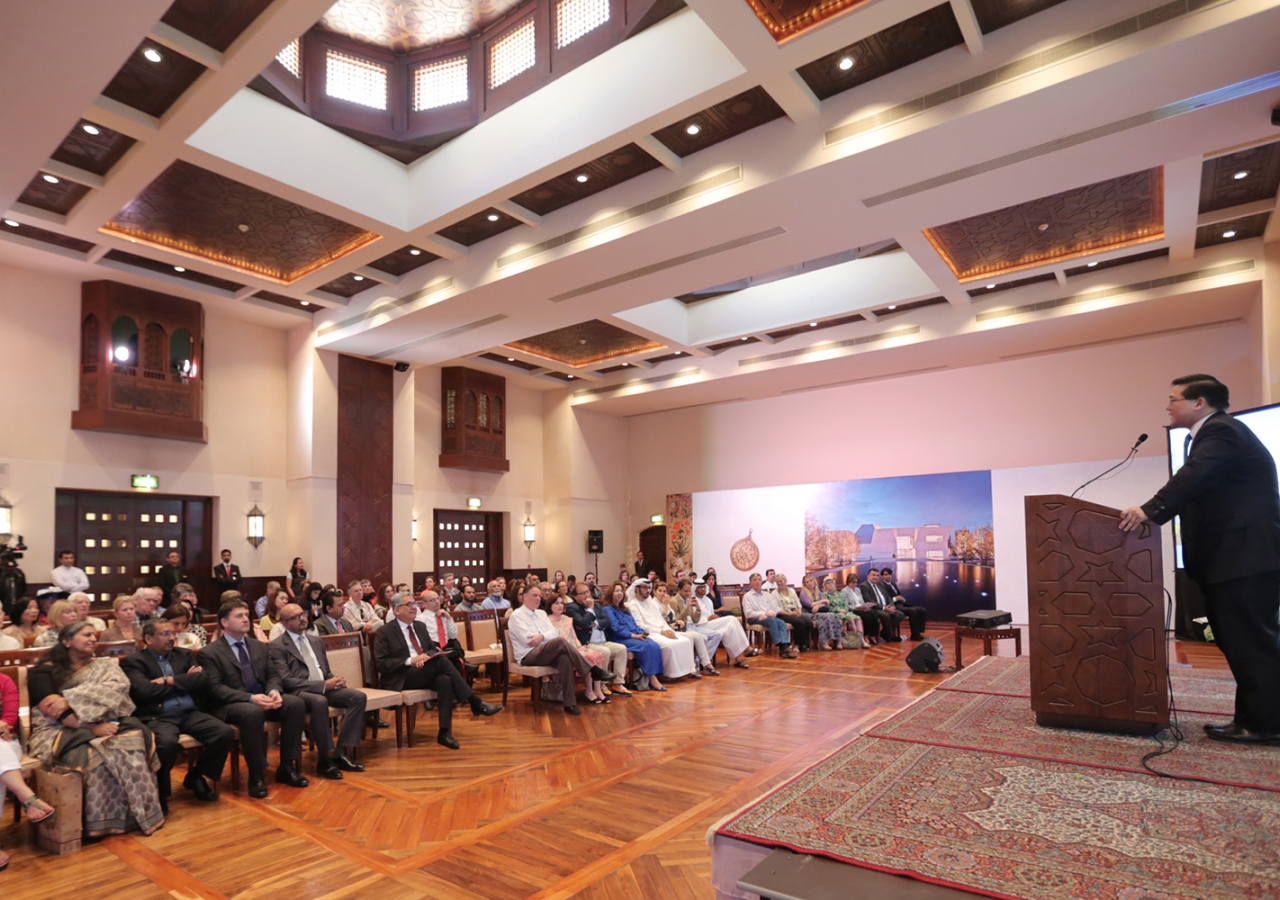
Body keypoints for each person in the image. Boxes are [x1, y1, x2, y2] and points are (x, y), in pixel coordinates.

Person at [1121, 374, 1280, 744]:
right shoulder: (1218, 434)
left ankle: (1267, 723)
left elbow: (1194, 476)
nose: (1167, 406)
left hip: (1245, 559)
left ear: (1199, 403)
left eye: (1173, 399)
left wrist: (1150, 510)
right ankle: (1256, 718)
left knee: (1251, 640)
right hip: (1238, 560)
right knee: (1242, 640)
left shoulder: (1221, 431)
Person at [28, 621, 165, 836]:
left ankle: (136, 815)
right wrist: (92, 727)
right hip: (57, 728)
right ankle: (97, 824)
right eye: (86, 635)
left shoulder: (105, 666)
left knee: (134, 745)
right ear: (67, 641)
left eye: (94, 634)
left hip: (107, 720)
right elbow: (52, 710)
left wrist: (70, 698)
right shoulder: (45, 671)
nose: (93, 639)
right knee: (96, 758)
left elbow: (117, 690)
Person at [199, 600, 310, 799]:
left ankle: (286, 766)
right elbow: (215, 689)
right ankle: (256, 775)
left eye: (246, 614)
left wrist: (274, 690)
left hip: (262, 697)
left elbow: (273, 674)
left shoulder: (258, 646)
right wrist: (251, 698)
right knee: (252, 712)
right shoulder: (210, 652)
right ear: (224, 622)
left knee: (295, 704)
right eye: (239, 616)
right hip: (231, 704)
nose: (245, 619)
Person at [120, 618, 231, 813]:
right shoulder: (134, 661)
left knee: (223, 732)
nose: (172, 638)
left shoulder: (184, 654)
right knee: (166, 744)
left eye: (173, 634)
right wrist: (184, 682)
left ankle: (196, 775)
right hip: (158, 716)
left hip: (189, 712)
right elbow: (144, 691)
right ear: (148, 638)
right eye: (165, 634)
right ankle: (160, 794)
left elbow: (202, 680)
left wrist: (167, 681)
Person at [372, 593, 501, 748]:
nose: (415, 607)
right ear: (397, 610)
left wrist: (426, 657)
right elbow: (382, 664)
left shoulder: (420, 626)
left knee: (444, 680)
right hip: (401, 676)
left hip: (424, 670)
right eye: (410, 605)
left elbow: (432, 649)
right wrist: (411, 660)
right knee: (441, 662)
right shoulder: (385, 632)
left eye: (415, 603)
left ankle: (444, 733)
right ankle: (475, 702)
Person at [269, 603, 366, 778]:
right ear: (285, 623)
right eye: (295, 617)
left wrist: (334, 680)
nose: (302, 618)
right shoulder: (278, 646)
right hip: (299, 692)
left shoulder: (316, 641)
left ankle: (341, 751)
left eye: (303, 614)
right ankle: (325, 760)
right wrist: (322, 686)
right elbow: (286, 681)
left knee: (357, 697)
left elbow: (325, 670)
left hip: (323, 686)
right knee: (319, 701)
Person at [508, 585, 615, 713]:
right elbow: (528, 641)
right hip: (527, 655)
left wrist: (542, 636)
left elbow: (553, 632)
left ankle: (569, 703)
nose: (538, 598)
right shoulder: (517, 616)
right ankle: (591, 669)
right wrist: (545, 637)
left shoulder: (541, 614)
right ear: (525, 597)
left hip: (545, 651)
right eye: (534, 595)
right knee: (560, 642)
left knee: (565, 658)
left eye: (539, 596)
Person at [0, 670, 56, 869]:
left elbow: (9, 717)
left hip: (6, 741)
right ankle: (29, 799)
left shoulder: (4, 681)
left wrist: (3, 725)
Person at [564, 583, 631, 694]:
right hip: (587, 643)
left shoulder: (597, 606)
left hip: (603, 641)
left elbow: (608, 622)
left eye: (587, 592)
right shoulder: (572, 608)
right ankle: (601, 684)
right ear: (575, 596)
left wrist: (595, 623)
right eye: (583, 593)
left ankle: (618, 684)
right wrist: (589, 610)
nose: (586, 595)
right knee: (605, 652)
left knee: (621, 649)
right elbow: (584, 623)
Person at [546, 594, 611, 704]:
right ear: (550, 606)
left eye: (562, 603)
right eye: (556, 603)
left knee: (597, 656)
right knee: (589, 658)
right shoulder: (547, 620)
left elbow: (574, 636)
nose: (560, 606)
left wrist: (580, 646)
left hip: (574, 646)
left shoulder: (567, 619)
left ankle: (597, 690)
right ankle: (589, 691)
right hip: (561, 650)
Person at [600, 582, 665, 691]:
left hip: (633, 636)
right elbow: (615, 629)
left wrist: (641, 633)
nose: (620, 593)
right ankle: (652, 678)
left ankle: (653, 676)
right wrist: (634, 636)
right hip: (620, 638)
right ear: (610, 593)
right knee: (646, 647)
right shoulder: (608, 609)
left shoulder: (624, 609)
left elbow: (634, 624)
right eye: (616, 591)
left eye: (621, 591)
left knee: (654, 645)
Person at [625, 579, 698, 677]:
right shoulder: (632, 605)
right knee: (669, 645)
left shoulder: (650, 602)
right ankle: (667, 674)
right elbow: (640, 625)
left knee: (685, 641)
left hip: (661, 630)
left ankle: (683, 672)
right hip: (649, 633)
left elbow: (661, 619)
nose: (648, 590)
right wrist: (661, 631)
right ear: (637, 589)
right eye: (645, 588)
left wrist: (668, 630)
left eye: (649, 588)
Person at [680, 578, 751, 669]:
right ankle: (746, 650)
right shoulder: (693, 600)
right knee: (731, 619)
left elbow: (711, 614)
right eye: (700, 587)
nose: (703, 589)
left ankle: (738, 659)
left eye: (703, 587)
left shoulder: (708, 600)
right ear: (695, 588)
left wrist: (714, 617)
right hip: (700, 625)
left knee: (728, 629)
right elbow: (694, 619)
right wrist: (707, 619)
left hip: (710, 624)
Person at [656, 581, 718, 675]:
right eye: (660, 591)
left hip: (684, 626)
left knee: (705, 635)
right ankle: (693, 667)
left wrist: (698, 608)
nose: (663, 594)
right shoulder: (671, 601)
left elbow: (694, 620)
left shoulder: (669, 603)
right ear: (679, 590)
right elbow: (663, 620)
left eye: (664, 591)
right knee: (696, 637)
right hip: (672, 629)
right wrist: (686, 609)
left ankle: (706, 664)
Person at [741, 573, 796, 658]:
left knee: (781, 622)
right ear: (750, 583)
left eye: (759, 580)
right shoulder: (747, 596)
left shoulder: (767, 595)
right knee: (772, 621)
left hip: (768, 617)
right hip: (754, 618)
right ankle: (782, 647)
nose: (757, 582)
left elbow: (774, 609)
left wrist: (770, 613)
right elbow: (748, 613)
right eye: (754, 580)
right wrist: (764, 614)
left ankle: (785, 646)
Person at [876, 567, 926, 640]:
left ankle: (918, 631)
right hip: (893, 605)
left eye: (889, 574)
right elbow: (884, 598)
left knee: (922, 610)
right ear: (882, 576)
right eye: (886, 574)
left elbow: (898, 594)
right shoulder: (881, 586)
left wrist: (901, 599)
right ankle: (915, 635)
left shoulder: (893, 584)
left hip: (901, 604)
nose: (888, 576)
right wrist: (895, 599)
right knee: (913, 611)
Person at [800, 574, 846, 649]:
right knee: (825, 616)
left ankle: (838, 641)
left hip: (818, 612)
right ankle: (824, 642)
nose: (810, 583)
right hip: (807, 614)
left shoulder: (818, 592)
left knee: (833, 615)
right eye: (807, 582)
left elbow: (826, 603)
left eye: (811, 581)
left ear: (814, 581)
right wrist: (822, 601)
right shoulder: (803, 594)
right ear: (804, 584)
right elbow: (811, 605)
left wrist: (818, 605)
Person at [858, 569, 906, 642]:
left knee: (900, 614)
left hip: (886, 607)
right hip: (874, 609)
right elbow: (869, 601)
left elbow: (888, 597)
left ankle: (884, 633)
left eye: (877, 575)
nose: (876, 577)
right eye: (873, 575)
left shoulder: (880, 584)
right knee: (885, 615)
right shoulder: (864, 586)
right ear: (868, 576)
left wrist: (891, 606)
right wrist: (884, 608)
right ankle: (889, 635)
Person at [773, 574, 815, 651]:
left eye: (781, 581)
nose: (779, 583)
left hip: (795, 613)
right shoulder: (774, 593)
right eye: (777, 582)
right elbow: (777, 609)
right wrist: (790, 614)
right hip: (783, 614)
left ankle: (803, 643)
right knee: (799, 623)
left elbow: (798, 604)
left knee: (809, 622)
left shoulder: (791, 591)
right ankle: (796, 645)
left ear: (785, 581)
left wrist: (799, 612)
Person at [844, 575, 890, 644]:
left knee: (874, 614)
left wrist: (864, 606)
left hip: (861, 608)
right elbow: (845, 605)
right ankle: (866, 635)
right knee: (867, 617)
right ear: (848, 582)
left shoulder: (857, 590)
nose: (855, 584)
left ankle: (872, 635)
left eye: (856, 582)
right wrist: (855, 608)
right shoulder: (844, 591)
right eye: (853, 582)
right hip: (854, 609)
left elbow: (862, 601)